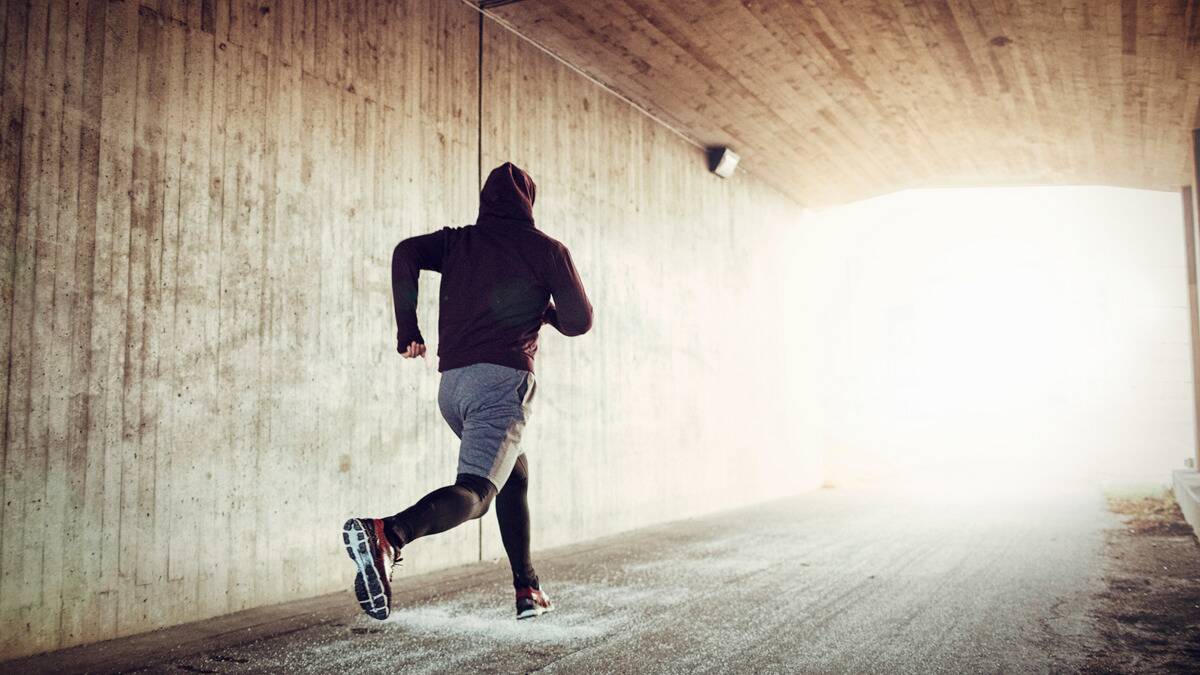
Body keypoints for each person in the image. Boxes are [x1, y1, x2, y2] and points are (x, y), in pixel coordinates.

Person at [342, 162, 593, 621]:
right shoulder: (547, 250)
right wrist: (546, 311)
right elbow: (580, 322)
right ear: (529, 204)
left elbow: (405, 253)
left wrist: (407, 329)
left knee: (513, 474)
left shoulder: (458, 241)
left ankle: (527, 588)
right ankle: (388, 534)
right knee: (477, 494)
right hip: (501, 383)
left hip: (453, 388)